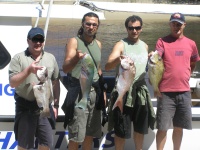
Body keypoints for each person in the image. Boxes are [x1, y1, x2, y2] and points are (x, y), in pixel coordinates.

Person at [105, 15, 155, 150]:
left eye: (137, 28)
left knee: (140, 129)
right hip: (124, 90)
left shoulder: (144, 45)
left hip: (140, 91)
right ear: (126, 29)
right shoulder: (120, 44)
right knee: (121, 129)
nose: (134, 31)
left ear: (141, 28)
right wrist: (118, 59)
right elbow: (108, 66)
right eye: (131, 28)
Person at [150, 12, 200, 150]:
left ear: (184, 25)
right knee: (162, 128)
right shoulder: (162, 41)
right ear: (170, 24)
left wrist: (186, 73)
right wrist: (153, 55)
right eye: (173, 23)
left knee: (179, 128)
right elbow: (157, 55)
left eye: (179, 24)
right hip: (166, 92)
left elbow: (193, 62)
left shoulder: (191, 43)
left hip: (184, 91)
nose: (176, 26)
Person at [9, 27, 60, 150]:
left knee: (46, 143)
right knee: (24, 146)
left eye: (40, 39)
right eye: (34, 39)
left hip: (45, 107)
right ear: (28, 41)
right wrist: (28, 71)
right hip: (25, 107)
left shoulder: (51, 58)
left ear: (43, 41)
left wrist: (56, 105)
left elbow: (55, 81)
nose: (38, 42)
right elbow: (12, 83)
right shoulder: (18, 58)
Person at [62, 12, 106, 150]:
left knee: (90, 135)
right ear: (83, 24)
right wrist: (76, 58)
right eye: (88, 24)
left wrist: (103, 92)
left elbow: (98, 70)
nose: (91, 27)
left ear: (97, 27)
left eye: (94, 25)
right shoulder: (74, 41)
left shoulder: (98, 44)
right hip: (79, 92)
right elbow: (65, 68)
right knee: (76, 136)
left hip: (95, 93)